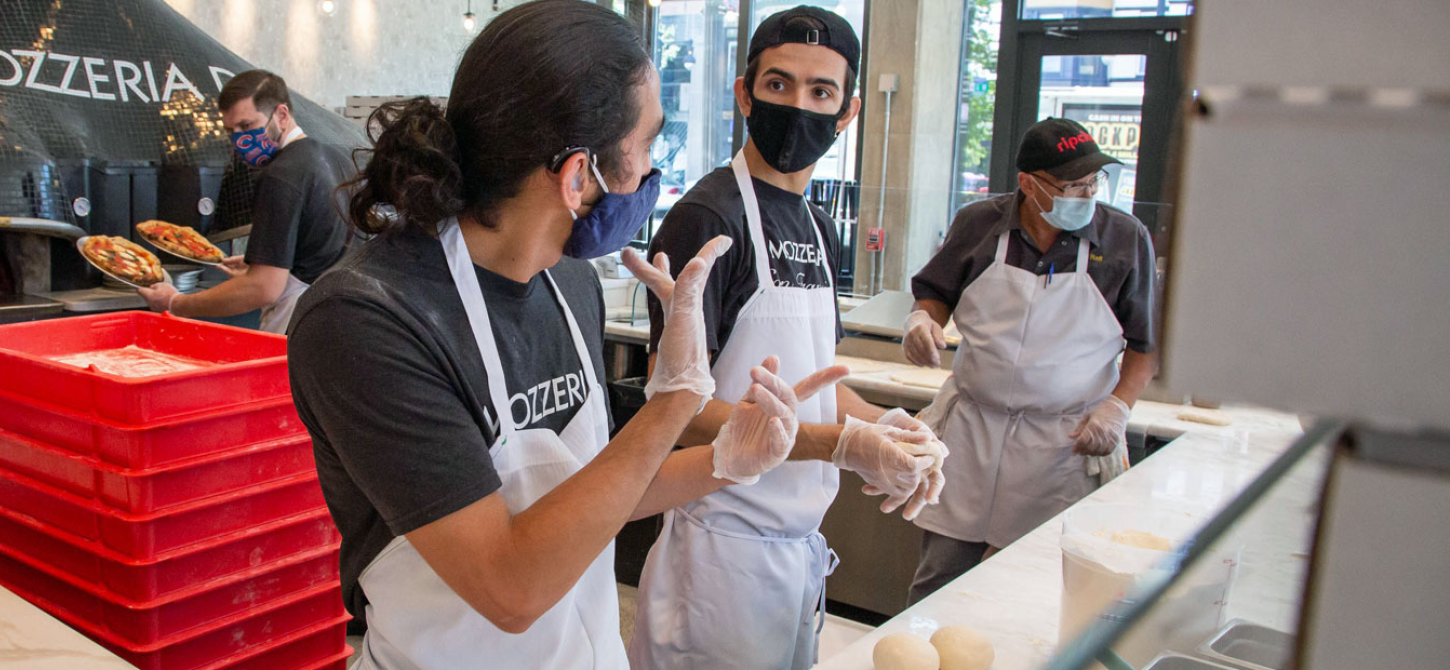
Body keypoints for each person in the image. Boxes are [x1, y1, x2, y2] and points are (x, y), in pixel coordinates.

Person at [285, 2, 845, 668]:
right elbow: (510, 587)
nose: (650, 172)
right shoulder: (368, 319)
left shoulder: (568, 281)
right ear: (579, 175)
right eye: (646, 148)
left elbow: (597, 490)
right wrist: (673, 400)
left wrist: (724, 460)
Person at [630, 8, 946, 670]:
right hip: (719, 553)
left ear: (848, 110)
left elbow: (818, 379)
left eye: (820, 93)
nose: (798, 107)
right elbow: (674, 411)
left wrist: (887, 426)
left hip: (798, 548)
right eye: (779, 85)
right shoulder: (707, 219)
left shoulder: (819, 225)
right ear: (745, 93)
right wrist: (839, 445)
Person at [902, 118, 1160, 605]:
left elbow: (1146, 344)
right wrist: (923, 322)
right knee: (938, 582)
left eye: (1093, 183)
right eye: (1072, 185)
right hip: (972, 434)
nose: (1085, 195)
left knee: (1031, 593)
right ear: (1029, 184)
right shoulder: (979, 224)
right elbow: (934, 292)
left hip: (1062, 446)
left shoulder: (1124, 239)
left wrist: (1118, 407)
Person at [137, 69, 356, 334]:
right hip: (339, 323)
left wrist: (176, 302)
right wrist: (265, 258)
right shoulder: (335, 159)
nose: (239, 140)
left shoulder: (280, 176)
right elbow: (322, 245)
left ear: (282, 115)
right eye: (231, 131)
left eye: (247, 126)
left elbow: (263, 288)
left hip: (296, 327)